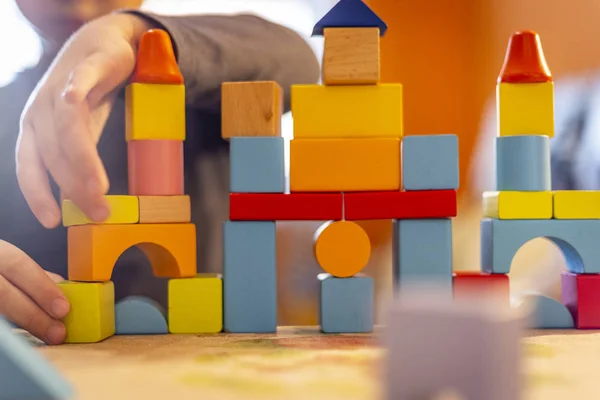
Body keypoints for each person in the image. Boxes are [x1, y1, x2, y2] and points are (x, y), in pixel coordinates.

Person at [0, 0, 319, 344]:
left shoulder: (196, 82)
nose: (80, 3)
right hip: (57, 358)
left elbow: (297, 60)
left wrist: (137, 33)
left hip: (207, 350)